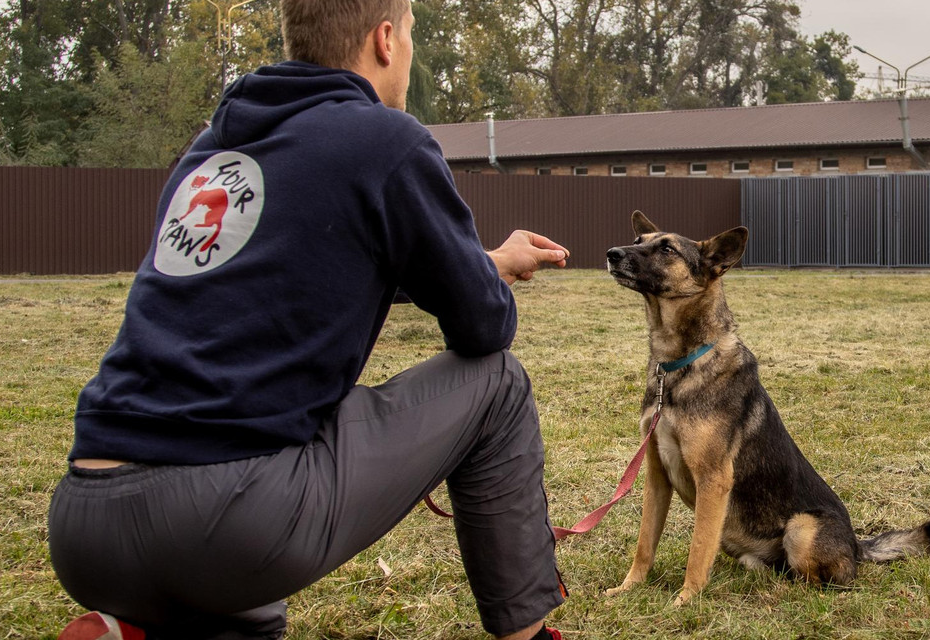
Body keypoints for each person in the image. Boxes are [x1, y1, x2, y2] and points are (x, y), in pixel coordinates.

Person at [47, 1, 571, 638]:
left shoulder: (211, 149)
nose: (409, 52)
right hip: (227, 522)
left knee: (244, 604)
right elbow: (482, 327)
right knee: (499, 385)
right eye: (410, 35)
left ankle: (130, 630)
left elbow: (323, 261)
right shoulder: (386, 138)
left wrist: (486, 258)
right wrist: (481, 276)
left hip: (84, 521)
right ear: (384, 40)